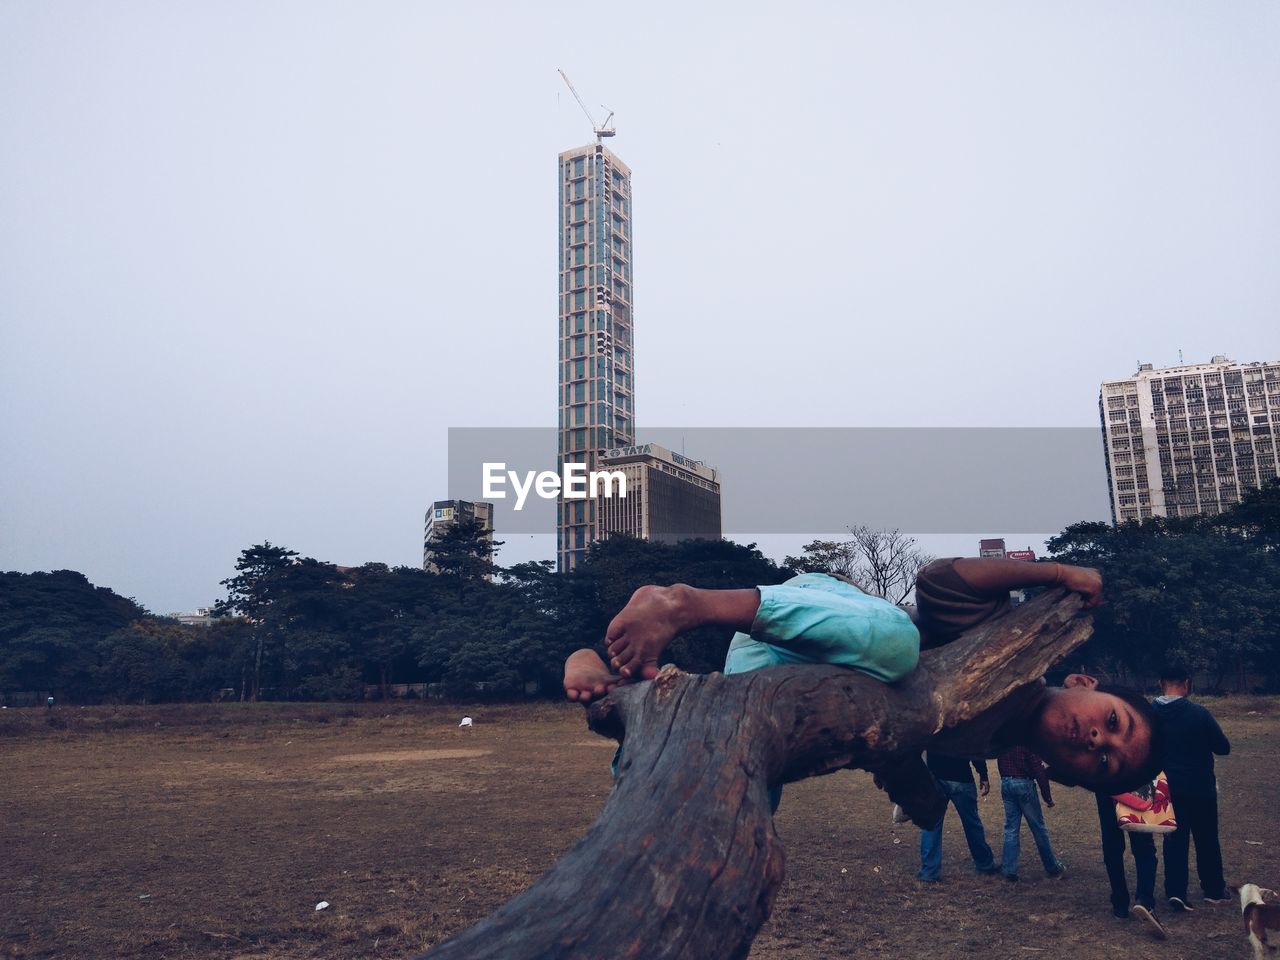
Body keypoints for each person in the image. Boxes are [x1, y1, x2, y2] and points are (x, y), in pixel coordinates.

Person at [563, 557, 1165, 794]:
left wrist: (913, 788)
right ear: (1087, 685)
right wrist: (1058, 574)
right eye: (1113, 722)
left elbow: (899, 733)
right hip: (817, 617)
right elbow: (941, 581)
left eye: (1104, 760)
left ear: (1066, 776)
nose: (1096, 740)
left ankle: (619, 684)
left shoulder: (990, 741)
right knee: (899, 646)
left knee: (735, 779)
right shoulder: (1011, 656)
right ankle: (682, 604)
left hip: (777, 677)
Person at [1154, 663, 1231, 912]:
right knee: (1207, 839)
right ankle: (1213, 889)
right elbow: (1223, 747)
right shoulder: (1199, 713)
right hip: (1201, 788)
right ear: (1187, 684)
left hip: (1168, 789)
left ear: (1160, 684)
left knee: (1174, 841)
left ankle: (1176, 891)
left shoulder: (1149, 713)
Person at [917, 751, 999, 882]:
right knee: (972, 824)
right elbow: (974, 750)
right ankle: (985, 864)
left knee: (932, 824)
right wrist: (983, 774)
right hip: (961, 777)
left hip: (936, 778)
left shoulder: (931, 729)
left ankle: (929, 871)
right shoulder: (965, 729)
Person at [1095, 789, 1166, 939]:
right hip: (1135, 785)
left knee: (1112, 847)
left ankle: (1120, 904)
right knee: (1144, 847)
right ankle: (1145, 900)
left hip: (1105, 786)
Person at [996, 745, 1066, 881]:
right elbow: (1039, 770)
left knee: (1011, 828)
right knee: (1038, 828)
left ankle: (1009, 869)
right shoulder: (1026, 743)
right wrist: (1047, 797)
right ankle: (1052, 867)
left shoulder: (1004, 741)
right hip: (1024, 783)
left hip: (1006, 782)